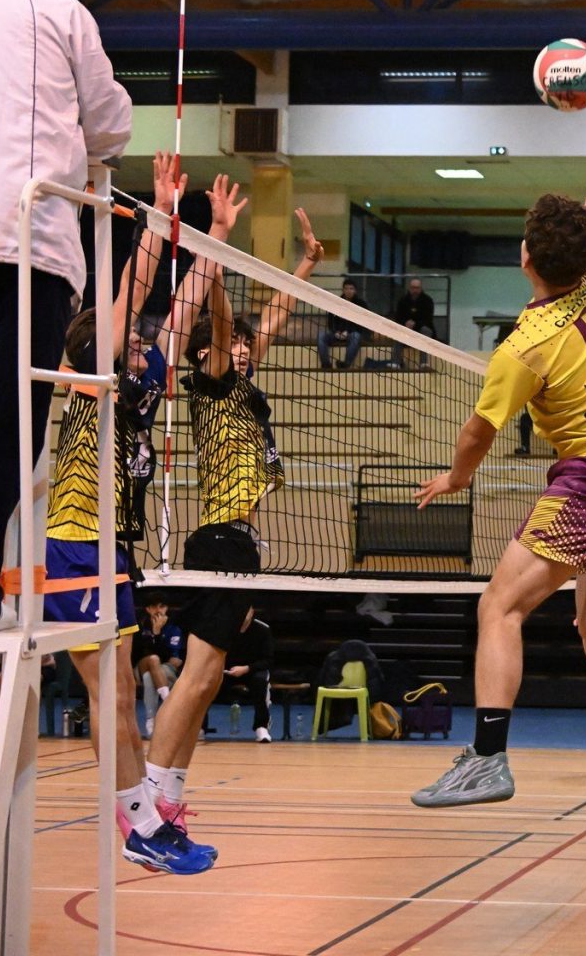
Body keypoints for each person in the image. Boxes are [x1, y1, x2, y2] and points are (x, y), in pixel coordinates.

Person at [410, 88, 586, 823]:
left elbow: (478, 433)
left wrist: (456, 477)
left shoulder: (523, 347)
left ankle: (487, 757)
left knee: (499, 606)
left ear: (526, 258)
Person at [41, 151, 209, 874]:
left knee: (124, 700)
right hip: (76, 543)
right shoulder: (91, 385)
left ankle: (145, 823)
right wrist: (150, 222)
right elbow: (135, 293)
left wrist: (198, 236)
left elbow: (179, 312)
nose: (141, 342)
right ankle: (138, 826)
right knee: (108, 693)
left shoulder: (137, 395)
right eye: (128, 340)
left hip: (112, 550)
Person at [145, 182, 321, 856]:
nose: (245, 349)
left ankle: (173, 793)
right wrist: (215, 257)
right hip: (218, 538)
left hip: (238, 542)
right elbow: (224, 330)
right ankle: (154, 797)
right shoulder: (213, 380)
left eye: (249, 346)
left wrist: (305, 265)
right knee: (198, 673)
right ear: (204, 359)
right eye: (235, 345)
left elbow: (267, 320)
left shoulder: (245, 385)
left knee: (211, 673)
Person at [0, 0, 131, 615]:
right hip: (27, 253)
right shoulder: (52, 8)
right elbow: (111, 129)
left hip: (28, 249)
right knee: (5, 439)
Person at [132, 591, 185, 737]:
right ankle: (168, 704)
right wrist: (155, 633)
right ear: (148, 609)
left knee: (150, 676)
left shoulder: (174, 627)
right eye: (153, 607)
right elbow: (138, 652)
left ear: (166, 608)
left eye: (161, 606)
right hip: (141, 666)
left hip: (165, 669)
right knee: (153, 660)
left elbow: (173, 659)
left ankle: (151, 720)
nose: (158, 610)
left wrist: (158, 634)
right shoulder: (140, 626)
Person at [219, 618, 273, 743]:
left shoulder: (263, 629)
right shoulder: (223, 626)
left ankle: (261, 726)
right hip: (227, 670)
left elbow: (268, 660)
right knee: (205, 683)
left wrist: (246, 668)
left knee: (260, 681)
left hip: (252, 670)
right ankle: (200, 727)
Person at [317, 278, 369, 370]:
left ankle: (346, 364)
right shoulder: (336, 302)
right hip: (336, 333)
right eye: (346, 288)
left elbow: (362, 324)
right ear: (343, 290)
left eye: (351, 288)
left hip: (352, 334)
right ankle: (326, 364)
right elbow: (330, 320)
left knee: (356, 336)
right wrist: (335, 331)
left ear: (355, 290)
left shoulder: (361, 304)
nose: (349, 291)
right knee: (321, 335)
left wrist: (348, 332)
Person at [391, 277, 436, 368]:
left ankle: (423, 363)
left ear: (421, 288)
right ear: (409, 288)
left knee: (426, 331)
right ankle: (396, 363)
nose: (415, 290)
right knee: (397, 332)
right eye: (413, 287)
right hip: (406, 329)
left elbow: (428, 319)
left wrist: (415, 324)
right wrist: (405, 323)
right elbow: (398, 317)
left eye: (417, 288)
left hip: (421, 328)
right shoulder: (402, 300)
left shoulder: (428, 300)